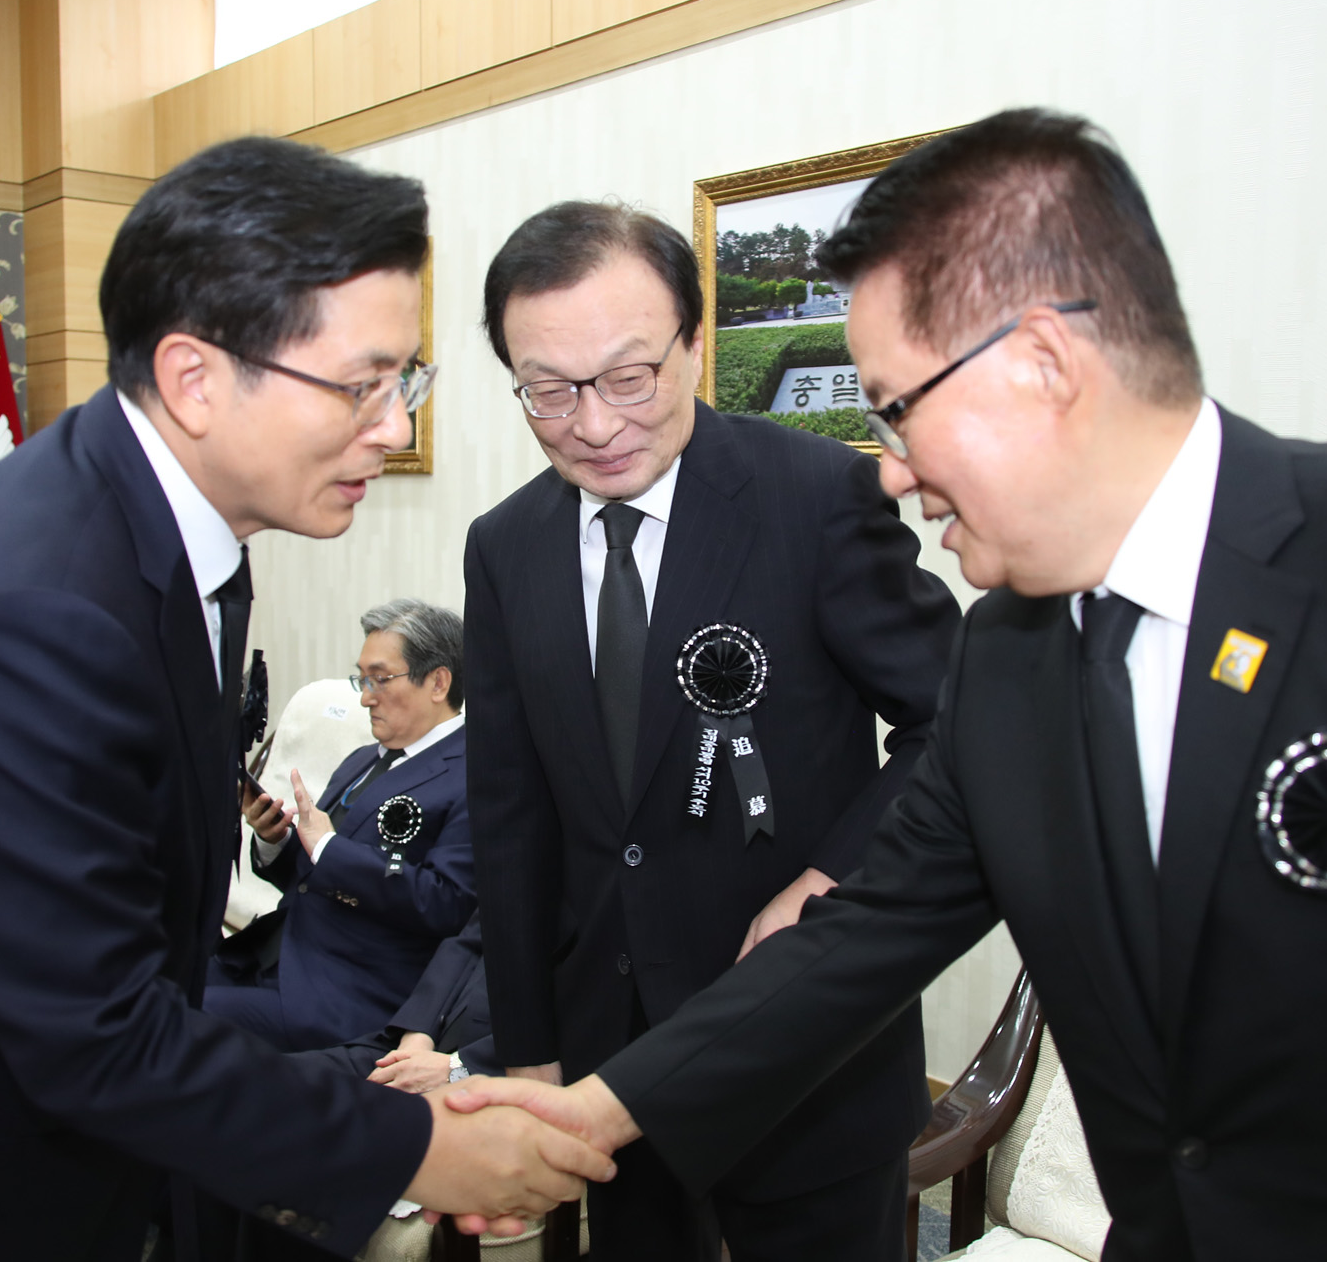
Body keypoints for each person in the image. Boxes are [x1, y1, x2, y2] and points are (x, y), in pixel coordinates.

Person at [451, 109, 1327, 1258]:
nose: (896, 473)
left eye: (897, 413)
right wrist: (594, 1109)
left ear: (1043, 366)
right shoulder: (1008, 664)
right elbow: (857, 938)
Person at [0, 138, 609, 1262]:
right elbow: (92, 1031)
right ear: (195, 377)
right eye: (360, 386)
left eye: (406, 383)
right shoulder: (34, 607)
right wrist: (413, 1144)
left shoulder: (176, 533)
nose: (393, 428)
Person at [464, 201, 961, 1260]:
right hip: (611, 1062)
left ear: (693, 345)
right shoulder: (503, 545)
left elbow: (956, 724)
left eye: (628, 376)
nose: (593, 425)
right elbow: (511, 814)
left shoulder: (815, 497)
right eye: (546, 391)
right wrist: (528, 1054)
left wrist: (827, 883)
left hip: (805, 1053)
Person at [208, 597, 474, 1051]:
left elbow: (448, 903)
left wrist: (330, 848)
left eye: (380, 679)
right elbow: (313, 876)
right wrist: (275, 841)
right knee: (152, 982)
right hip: (278, 956)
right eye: (362, 679)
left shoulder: (473, 773)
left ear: (438, 682)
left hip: (349, 992)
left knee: (178, 1015)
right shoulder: (360, 761)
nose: (365, 696)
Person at [314, 912, 503, 1094]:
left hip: (498, 1077)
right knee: (293, 1083)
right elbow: (470, 943)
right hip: (424, 1043)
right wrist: (417, 1036)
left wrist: (460, 1068)